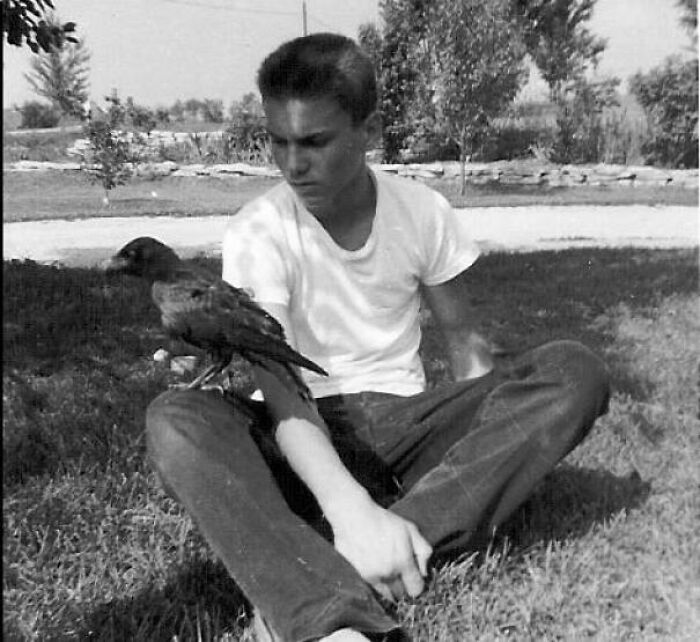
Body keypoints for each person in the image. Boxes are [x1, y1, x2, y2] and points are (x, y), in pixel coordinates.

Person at [145, 33, 611, 642]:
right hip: (298, 430)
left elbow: (467, 348)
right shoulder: (259, 230)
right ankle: (334, 610)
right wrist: (349, 506)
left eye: (314, 141)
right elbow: (281, 386)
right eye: (277, 141)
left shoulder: (421, 210)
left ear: (367, 130)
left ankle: (321, 569)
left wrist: (482, 442)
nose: (292, 163)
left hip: (401, 422)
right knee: (177, 418)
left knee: (574, 369)